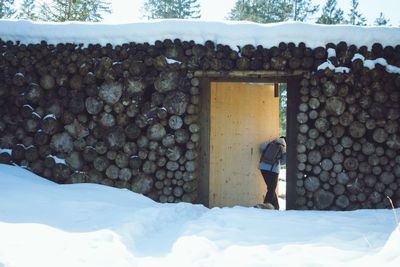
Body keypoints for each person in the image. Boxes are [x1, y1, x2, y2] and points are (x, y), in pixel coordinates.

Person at [258, 136, 286, 210]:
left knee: (271, 188)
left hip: (263, 167)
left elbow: (261, 147)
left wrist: (270, 143)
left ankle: (276, 206)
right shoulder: (283, 147)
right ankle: (265, 205)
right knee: (271, 188)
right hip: (273, 170)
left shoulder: (272, 143)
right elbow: (283, 162)